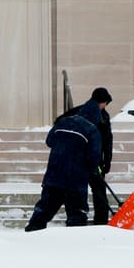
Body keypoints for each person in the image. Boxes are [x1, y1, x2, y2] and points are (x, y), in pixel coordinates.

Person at [24, 93, 104, 231]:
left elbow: (49, 141)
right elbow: (93, 157)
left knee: (43, 210)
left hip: (54, 177)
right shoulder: (92, 130)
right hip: (76, 181)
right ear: (96, 116)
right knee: (77, 216)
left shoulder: (63, 122)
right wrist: (94, 170)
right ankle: (74, 246)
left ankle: (31, 234)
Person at [88, 87, 114, 224]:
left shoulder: (104, 115)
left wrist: (107, 160)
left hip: (97, 159)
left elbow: (107, 139)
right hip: (84, 159)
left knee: (99, 189)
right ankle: (76, 218)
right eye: (104, 102)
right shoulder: (84, 114)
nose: (105, 105)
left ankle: (101, 220)